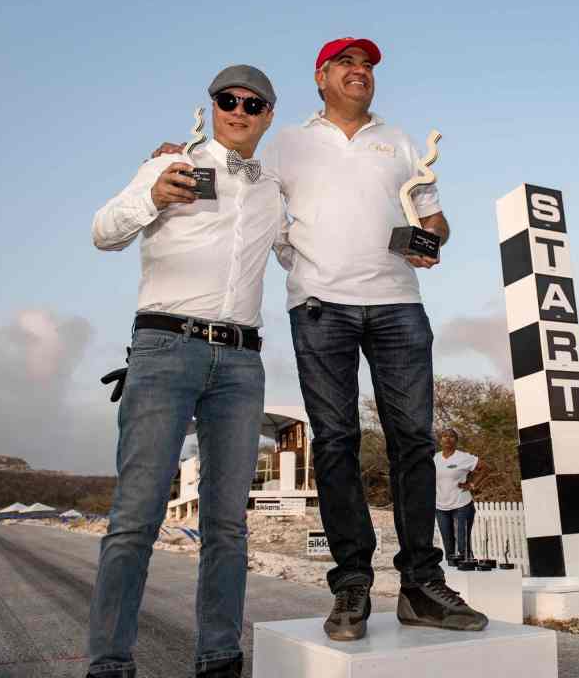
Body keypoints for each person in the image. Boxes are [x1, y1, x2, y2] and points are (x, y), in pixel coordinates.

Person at [152, 37, 486, 642]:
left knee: (414, 440)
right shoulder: (285, 143)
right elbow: (230, 175)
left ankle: (421, 586)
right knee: (335, 442)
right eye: (347, 65)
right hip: (319, 306)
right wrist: (177, 154)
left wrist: (431, 234)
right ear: (321, 77)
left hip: (398, 307)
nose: (360, 73)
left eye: (367, 67)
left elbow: (434, 217)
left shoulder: (402, 142)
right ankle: (353, 585)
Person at [88, 65, 285, 678]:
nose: (239, 110)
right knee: (136, 517)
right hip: (165, 348)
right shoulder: (168, 165)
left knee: (227, 523)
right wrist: (151, 197)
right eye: (229, 99)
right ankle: (110, 664)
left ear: (267, 116)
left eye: (253, 104)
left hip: (241, 361)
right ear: (213, 104)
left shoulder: (275, 187)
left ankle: (220, 657)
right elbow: (103, 234)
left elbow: (308, 249)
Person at [434, 429, 488, 563]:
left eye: (452, 436)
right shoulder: (435, 458)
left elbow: (485, 467)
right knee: (449, 547)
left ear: (456, 440)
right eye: (444, 436)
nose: (448, 439)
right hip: (441, 508)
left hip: (462, 505)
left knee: (463, 545)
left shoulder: (463, 457)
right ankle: (451, 580)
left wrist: (471, 484)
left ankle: (469, 573)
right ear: (440, 440)